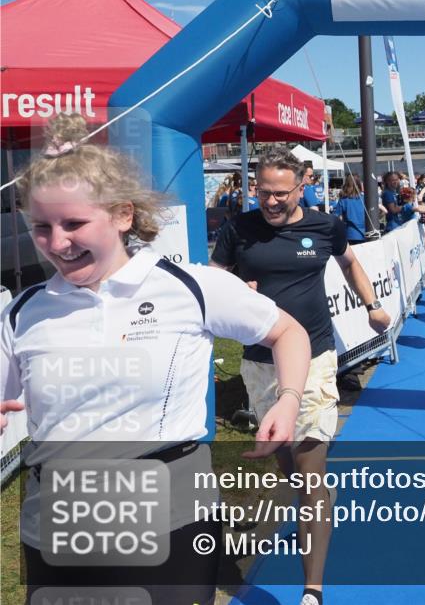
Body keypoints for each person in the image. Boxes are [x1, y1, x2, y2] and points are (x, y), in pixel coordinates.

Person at [1, 115, 311, 605]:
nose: (57, 244)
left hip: (169, 513)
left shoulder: (190, 286)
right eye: (42, 227)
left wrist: (288, 400)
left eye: (75, 224)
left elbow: (287, 332)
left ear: (123, 215)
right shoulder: (24, 311)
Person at [211, 147, 391, 605]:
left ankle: (312, 590)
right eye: (263, 192)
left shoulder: (324, 227)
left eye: (280, 194)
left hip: (313, 358)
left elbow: (350, 263)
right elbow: (215, 282)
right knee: (286, 456)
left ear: (302, 186)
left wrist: (372, 306)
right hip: (258, 361)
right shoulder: (239, 230)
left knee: (311, 469)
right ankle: (310, 505)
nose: (270, 202)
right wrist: (234, 290)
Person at [334, 173, 368, 244]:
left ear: (346, 184)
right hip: (366, 233)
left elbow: (336, 218)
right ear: (359, 184)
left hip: (350, 234)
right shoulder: (366, 198)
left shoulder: (343, 200)